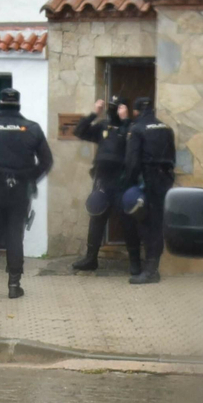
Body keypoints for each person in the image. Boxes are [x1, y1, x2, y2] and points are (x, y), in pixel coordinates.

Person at [0, 87, 52, 300]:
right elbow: (46, 162)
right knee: (15, 236)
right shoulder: (32, 128)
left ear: (1, 103)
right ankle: (14, 286)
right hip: (19, 190)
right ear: (18, 104)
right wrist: (29, 177)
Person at [71, 95, 141, 275]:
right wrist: (95, 113)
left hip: (122, 181)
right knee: (97, 216)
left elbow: (133, 142)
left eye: (117, 107)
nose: (114, 110)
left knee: (128, 220)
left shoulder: (132, 127)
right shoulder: (103, 126)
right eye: (113, 107)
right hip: (103, 180)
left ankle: (135, 262)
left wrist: (125, 120)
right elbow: (79, 131)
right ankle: (90, 258)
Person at [122, 95, 175, 285]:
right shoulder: (166, 128)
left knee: (146, 224)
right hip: (165, 181)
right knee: (158, 224)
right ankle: (153, 268)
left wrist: (128, 184)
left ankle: (150, 271)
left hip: (147, 180)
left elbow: (132, 161)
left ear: (136, 111)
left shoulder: (136, 129)